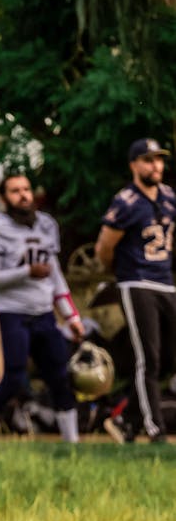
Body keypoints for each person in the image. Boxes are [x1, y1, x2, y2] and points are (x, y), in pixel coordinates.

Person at [0, 173, 85, 443]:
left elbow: (55, 275)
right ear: (3, 198)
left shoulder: (45, 224)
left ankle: (73, 443)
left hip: (44, 312)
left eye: (26, 189)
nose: (23, 195)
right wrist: (27, 272)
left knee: (59, 376)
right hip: (11, 312)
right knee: (13, 377)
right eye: (14, 191)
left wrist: (71, 316)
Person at [95, 138, 176, 444]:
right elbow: (105, 248)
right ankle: (155, 431)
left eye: (159, 159)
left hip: (165, 280)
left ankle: (127, 421)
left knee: (168, 358)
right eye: (148, 159)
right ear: (134, 165)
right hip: (136, 282)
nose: (155, 165)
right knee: (149, 358)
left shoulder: (169, 196)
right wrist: (122, 273)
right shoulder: (126, 201)